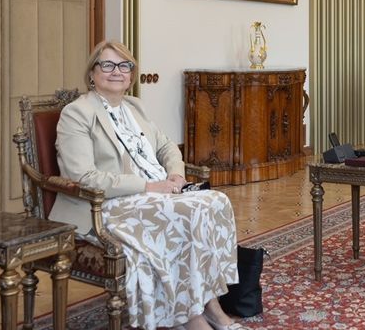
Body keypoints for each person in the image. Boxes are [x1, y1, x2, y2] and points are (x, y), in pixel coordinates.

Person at [51, 40, 247, 330]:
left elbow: (166, 147)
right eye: (107, 65)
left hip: (155, 193)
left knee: (215, 202)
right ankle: (191, 317)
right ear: (92, 73)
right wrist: (148, 186)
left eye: (124, 66)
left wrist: (176, 175)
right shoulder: (77, 113)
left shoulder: (134, 107)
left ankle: (210, 306)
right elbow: (84, 177)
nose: (116, 71)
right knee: (184, 215)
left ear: (131, 74)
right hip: (106, 204)